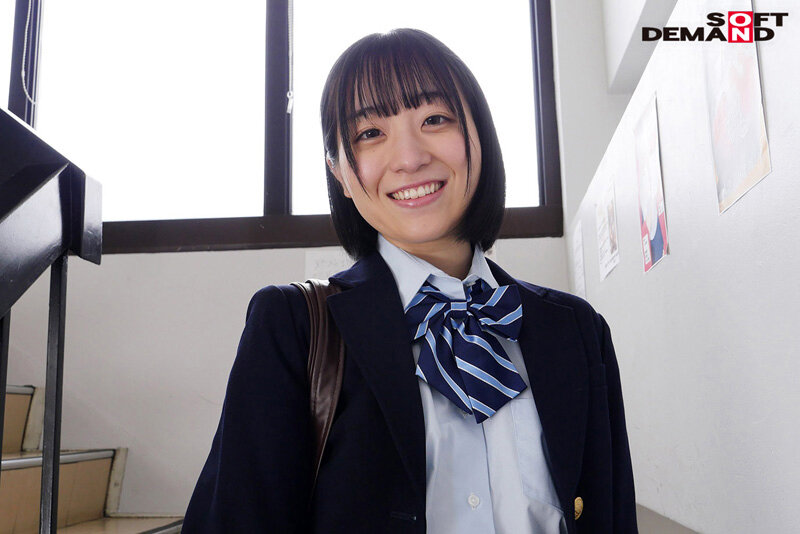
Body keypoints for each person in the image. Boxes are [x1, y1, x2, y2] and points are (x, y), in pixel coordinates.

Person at [183, 28, 637, 533]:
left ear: (480, 137)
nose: (409, 158)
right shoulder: (290, 326)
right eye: (369, 133)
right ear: (339, 171)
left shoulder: (577, 328)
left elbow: (612, 515)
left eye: (435, 119)